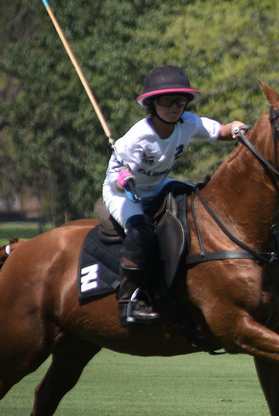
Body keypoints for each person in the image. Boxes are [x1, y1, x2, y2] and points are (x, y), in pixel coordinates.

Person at [104, 66, 246, 326]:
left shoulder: (188, 123)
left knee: (200, 202)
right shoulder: (138, 138)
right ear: (152, 103)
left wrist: (237, 128)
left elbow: (221, 132)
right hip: (125, 194)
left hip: (159, 184)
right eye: (167, 100)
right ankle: (129, 302)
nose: (174, 106)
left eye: (180, 100)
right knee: (141, 234)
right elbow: (115, 181)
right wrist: (124, 180)